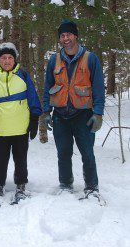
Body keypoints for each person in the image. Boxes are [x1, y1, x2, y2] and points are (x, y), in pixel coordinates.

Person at [43, 20, 105, 199]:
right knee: (63, 153)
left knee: (87, 153)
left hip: (83, 115)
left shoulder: (90, 58)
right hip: (60, 115)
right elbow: (48, 86)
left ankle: (92, 187)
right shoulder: (54, 60)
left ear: (75, 36)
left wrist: (98, 113)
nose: (66, 38)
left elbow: (99, 87)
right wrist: (47, 111)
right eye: (62, 36)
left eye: (69, 34)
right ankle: (65, 184)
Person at [0, 42, 42, 202]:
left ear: (15, 60)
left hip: (21, 127)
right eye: (3, 58)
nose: (6, 61)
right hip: (0, 127)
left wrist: (34, 119)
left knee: (20, 158)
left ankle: (21, 185)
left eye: (10, 58)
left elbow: (33, 97)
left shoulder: (23, 75)